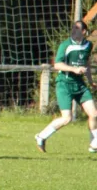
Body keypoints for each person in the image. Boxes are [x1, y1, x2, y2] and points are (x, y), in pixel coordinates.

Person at [35, 20, 97, 153]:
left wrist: (90, 81)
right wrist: (74, 69)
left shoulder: (88, 45)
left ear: (84, 32)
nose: (73, 30)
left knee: (94, 114)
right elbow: (57, 65)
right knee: (67, 118)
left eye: (77, 28)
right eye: (73, 28)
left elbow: (86, 63)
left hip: (79, 85)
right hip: (64, 84)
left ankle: (93, 144)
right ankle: (41, 137)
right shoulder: (65, 45)